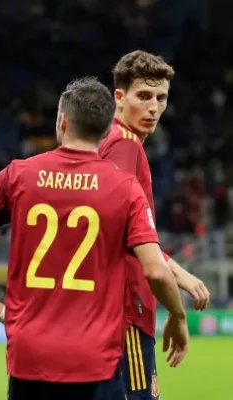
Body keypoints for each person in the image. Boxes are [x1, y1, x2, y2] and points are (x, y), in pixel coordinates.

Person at [0, 77, 189, 400]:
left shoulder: (19, 174)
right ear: (105, 133)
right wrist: (178, 317)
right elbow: (155, 271)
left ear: (63, 122)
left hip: (30, 357)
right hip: (94, 359)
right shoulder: (126, 188)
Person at [99, 50, 210, 400]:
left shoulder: (110, 140)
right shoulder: (125, 145)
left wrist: (178, 273)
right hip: (127, 308)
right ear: (119, 97)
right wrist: (178, 307)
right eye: (144, 96)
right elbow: (127, 237)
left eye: (161, 98)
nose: (153, 107)